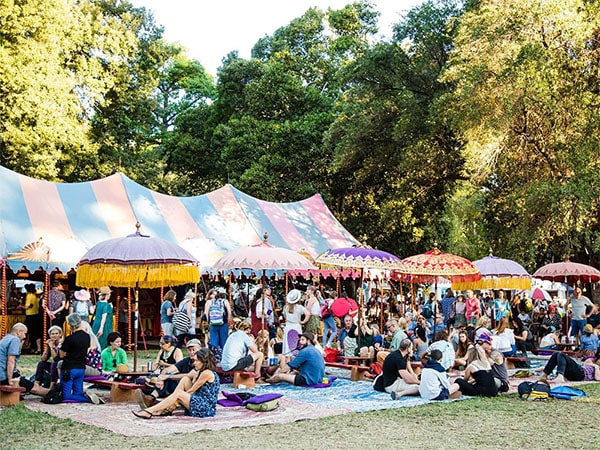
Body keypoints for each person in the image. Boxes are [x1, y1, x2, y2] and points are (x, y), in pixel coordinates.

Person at [133, 348, 219, 419]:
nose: (194, 363)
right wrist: (165, 378)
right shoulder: (200, 370)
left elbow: (192, 391)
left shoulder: (207, 373)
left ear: (204, 361)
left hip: (205, 407)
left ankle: (150, 411)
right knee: (185, 379)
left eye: (196, 361)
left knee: (179, 393)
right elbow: (187, 376)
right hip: (198, 400)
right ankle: (166, 409)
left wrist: (175, 402)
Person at [137, 339, 204, 408]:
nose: (191, 352)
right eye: (189, 350)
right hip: (180, 387)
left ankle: (153, 398)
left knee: (178, 378)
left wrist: (167, 376)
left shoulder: (202, 362)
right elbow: (168, 369)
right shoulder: (187, 360)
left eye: (194, 350)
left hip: (194, 390)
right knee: (164, 377)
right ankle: (152, 398)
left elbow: (189, 375)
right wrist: (161, 378)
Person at [60, 313, 101, 404]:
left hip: (69, 367)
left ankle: (87, 399)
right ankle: (85, 398)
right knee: (78, 393)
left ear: (70, 325)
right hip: (81, 367)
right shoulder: (87, 337)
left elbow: (62, 355)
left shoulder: (69, 339)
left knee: (66, 396)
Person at [0, 323, 45, 395]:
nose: (24, 336)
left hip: (3, 373)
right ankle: (54, 394)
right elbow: (10, 361)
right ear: (18, 332)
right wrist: (10, 380)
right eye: (24, 333)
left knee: (32, 384)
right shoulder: (15, 340)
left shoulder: (6, 338)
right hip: (4, 377)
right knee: (35, 388)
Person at [33, 325, 63, 391]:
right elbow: (43, 359)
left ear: (60, 334)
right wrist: (47, 347)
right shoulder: (51, 343)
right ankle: (36, 384)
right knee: (41, 364)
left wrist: (52, 347)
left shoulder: (62, 344)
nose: (54, 335)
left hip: (62, 366)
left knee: (54, 363)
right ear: (50, 336)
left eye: (56, 333)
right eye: (52, 334)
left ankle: (51, 387)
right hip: (55, 366)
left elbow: (56, 359)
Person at [204, 289, 231, 360]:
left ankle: (213, 358)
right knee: (224, 341)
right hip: (223, 324)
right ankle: (223, 357)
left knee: (213, 341)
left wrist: (208, 323)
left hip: (213, 324)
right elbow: (229, 312)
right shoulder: (225, 301)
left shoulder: (209, 302)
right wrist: (228, 320)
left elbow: (206, 313)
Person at [282, 289, 309, 355]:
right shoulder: (300, 307)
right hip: (296, 325)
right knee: (296, 342)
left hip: (288, 325)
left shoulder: (286, 307)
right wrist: (303, 322)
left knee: (287, 344)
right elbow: (308, 314)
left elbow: (284, 316)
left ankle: (287, 356)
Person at [23, 283, 42, 354]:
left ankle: (20, 348)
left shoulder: (29, 296)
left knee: (24, 332)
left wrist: (21, 306)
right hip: (36, 316)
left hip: (30, 316)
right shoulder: (36, 296)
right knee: (36, 333)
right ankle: (38, 348)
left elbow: (27, 306)